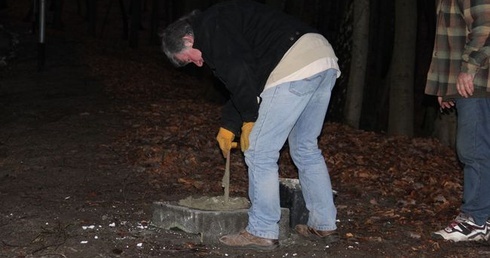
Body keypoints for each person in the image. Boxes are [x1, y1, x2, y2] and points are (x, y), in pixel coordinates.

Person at [161, 0, 340, 250]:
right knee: (305, 148)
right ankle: (323, 223)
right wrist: (229, 125)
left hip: (292, 64)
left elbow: (241, 75)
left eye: (188, 59)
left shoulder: (212, 28)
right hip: (322, 58)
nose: (197, 64)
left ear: (187, 41)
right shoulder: (220, 24)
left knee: (259, 152)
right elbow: (244, 82)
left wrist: (249, 119)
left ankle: (262, 230)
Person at [425, 0, 490, 242]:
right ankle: (484, 218)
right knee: (479, 149)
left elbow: (485, 27)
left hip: (480, 81)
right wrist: (445, 85)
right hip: (469, 83)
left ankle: (476, 219)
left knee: (473, 150)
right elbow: (446, 42)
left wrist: (469, 69)